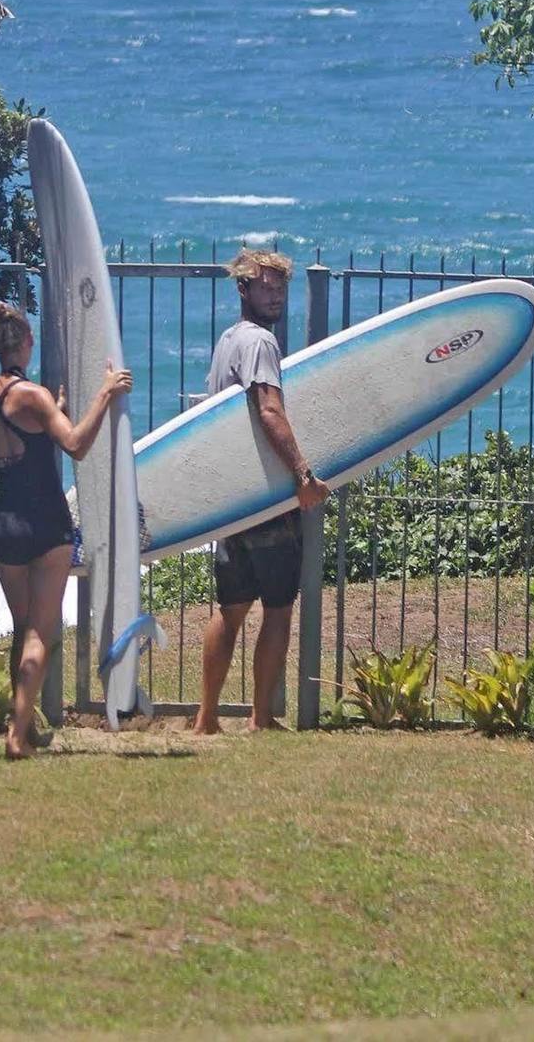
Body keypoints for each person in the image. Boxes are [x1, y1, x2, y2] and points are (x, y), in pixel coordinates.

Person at [0, 300, 132, 760]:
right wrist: (105, 392)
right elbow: (77, 445)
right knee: (42, 633)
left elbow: (23, 441)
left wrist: (52, 410)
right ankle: (17, 737)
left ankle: (22, 721)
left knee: (23, 630)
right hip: (46, 525)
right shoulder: (35, 396)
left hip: (5, 525)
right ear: (27, 342)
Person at [192, 249, 330, 735]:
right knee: (277, 609)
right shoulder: (261, 344)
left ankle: (206, 719)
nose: (274, 295)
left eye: (280, 287)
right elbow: (269, 409)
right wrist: (302, 474)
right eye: (265, 286)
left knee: (229, 614)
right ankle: (261, 718)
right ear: (243, 289)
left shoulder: (227, 342)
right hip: (265, 500)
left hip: (233, 501)